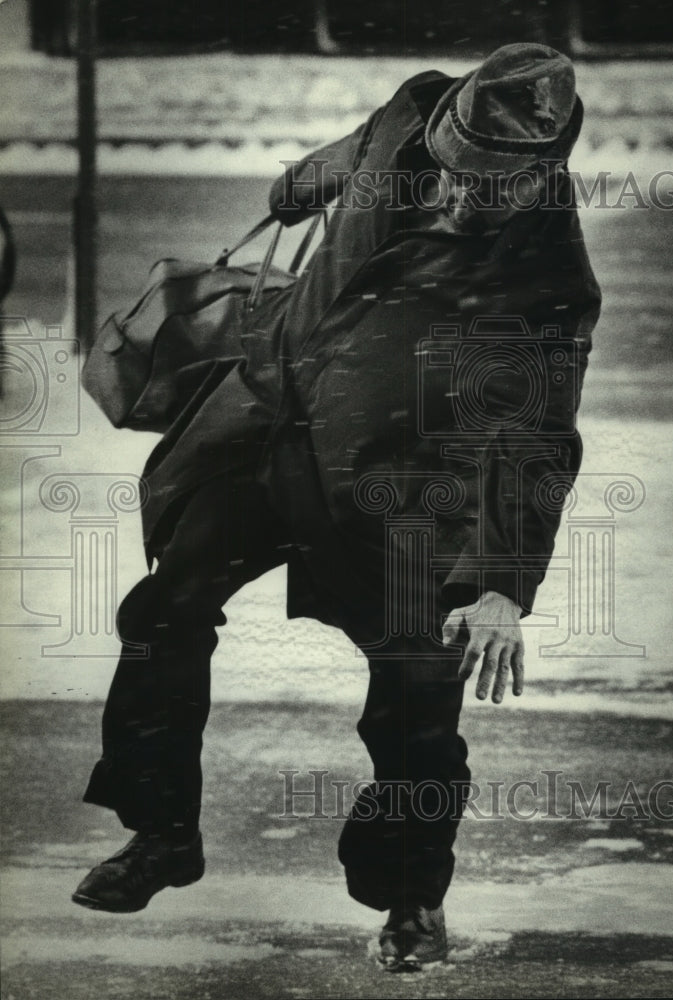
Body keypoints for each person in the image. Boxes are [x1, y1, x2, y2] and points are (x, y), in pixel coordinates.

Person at [72, 43, 601, 971]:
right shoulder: (410, 112)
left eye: (496, 180)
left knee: (415, 698)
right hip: (267, 429)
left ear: (541, 169)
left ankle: (409, 899)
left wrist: (499, 585)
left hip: (403, 487)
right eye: (460, 164)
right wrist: (297, 185)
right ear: (443, 124)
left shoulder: (542, 275)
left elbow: (535, 439)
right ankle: (162, 833)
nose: (466, 191)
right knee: (164, 612)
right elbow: (337, 160)